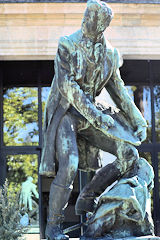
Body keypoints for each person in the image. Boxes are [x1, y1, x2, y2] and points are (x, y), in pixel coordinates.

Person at [39, 0, 147, 239]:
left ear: (101, 26)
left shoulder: (110, 54)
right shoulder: (66, 45)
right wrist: (96, 116)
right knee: (69, 165)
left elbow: (118, 91)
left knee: (129, 154)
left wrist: (138, 121)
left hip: (92, 116)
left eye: (90, 19)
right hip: (66, 112)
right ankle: (53, 226)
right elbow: (69, 88)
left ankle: (89, 196)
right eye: (85, 16)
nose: (84, 21)